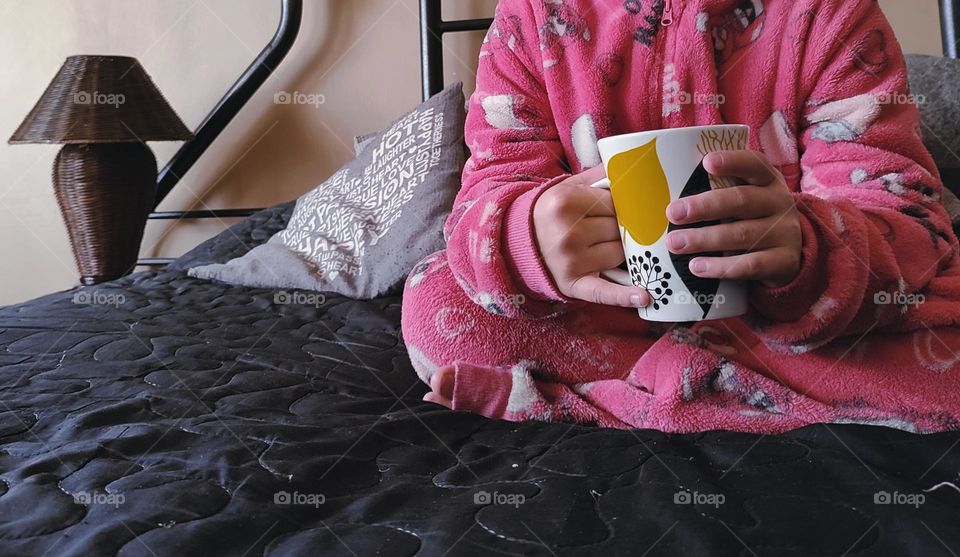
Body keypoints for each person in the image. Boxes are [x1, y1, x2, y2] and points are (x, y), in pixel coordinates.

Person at [401, 0, 960, 434]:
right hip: (612, 315)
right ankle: (729, 391)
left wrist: (808, 245)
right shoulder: (529, 18)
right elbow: (485, 193)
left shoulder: (830, 14)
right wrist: (526, 237)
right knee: (434, 301)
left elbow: (908, 221)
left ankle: (605, 399)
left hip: (793, 325)